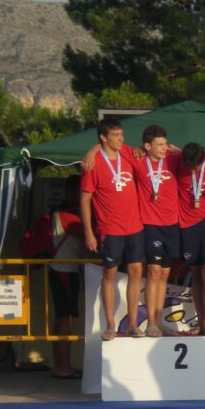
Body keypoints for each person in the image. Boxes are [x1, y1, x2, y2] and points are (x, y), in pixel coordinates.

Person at [80, 119, 145, 340]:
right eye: (116, 135)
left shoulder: (126, 153)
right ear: (103, 137)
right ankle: (110, 324)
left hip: (134, 225)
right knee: (110, 273)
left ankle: (133, 323)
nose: (121, 139)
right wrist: (89, 232)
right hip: (110, 227)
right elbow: (85, 200)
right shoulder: (93, 163)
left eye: (122, 135)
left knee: (136, 271)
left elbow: (145, 151)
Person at [21, 176, 85, 377]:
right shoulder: (69, 215)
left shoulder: (58, 213)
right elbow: (88, 238)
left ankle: (61, 364)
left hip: (60, 269)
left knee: (63, 317)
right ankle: (63, 366)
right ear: (73, 192)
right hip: (65, 270)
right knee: (65, 318)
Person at [132, 124, 180, 338]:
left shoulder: (172, 158)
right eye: (159, 144)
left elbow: (203, 155)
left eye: (165, 143)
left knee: (164, 274)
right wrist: (93, 151)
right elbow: (110, 146)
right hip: (150, 223)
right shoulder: (139, 159)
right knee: (153, 271)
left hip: (172, 224)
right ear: (147, 146)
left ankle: (159, 322)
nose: (163, 148)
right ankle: (151, 322)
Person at [176, 142, 205, 335]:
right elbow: (162, 149)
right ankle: (200, 323)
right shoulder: (179, 160)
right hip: (188, 225)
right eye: (190, 167)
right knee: (195, 273)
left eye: (197, 166)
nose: (194, 169)